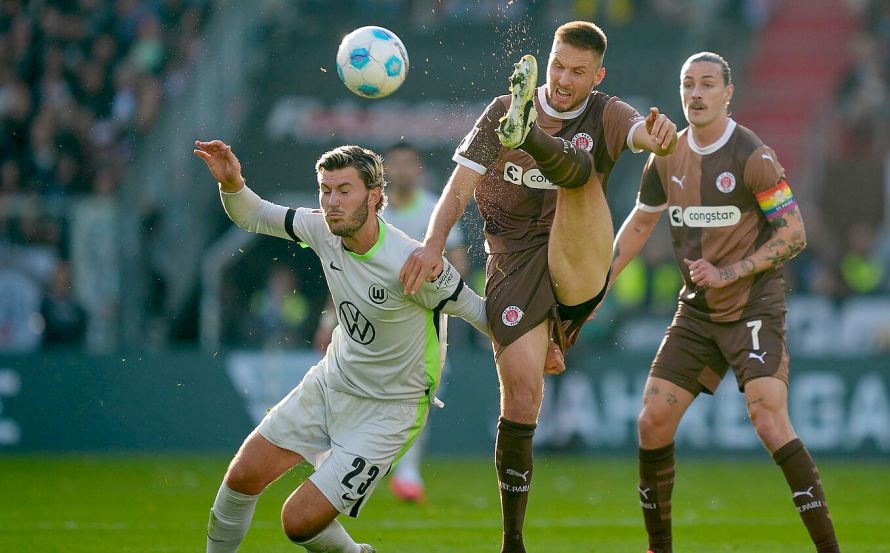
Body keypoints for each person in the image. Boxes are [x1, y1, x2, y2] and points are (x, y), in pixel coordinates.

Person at [400, 21, 678, 553]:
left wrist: (658, 137)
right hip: (513, 262)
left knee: (580, 170)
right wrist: (434, 244)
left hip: (577, 249)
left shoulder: (607, 112)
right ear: (546, 61)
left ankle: (528, 136)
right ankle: (513, 541)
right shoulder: (497, 110)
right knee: (524, 394)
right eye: (557, 66)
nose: (565, 78)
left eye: (578, 72)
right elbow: (458, 189)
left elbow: (642, 132)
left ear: (598, 76)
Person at [194, 140, 490, 553]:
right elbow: (254, 214)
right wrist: (232, 183)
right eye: (325, 190)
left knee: (297, 523)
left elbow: (481, 313)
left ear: (374, 196)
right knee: (242, 476)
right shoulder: (322, 230)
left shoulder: (410, 262)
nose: (331, 202)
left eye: (344, 190)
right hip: (331, 383)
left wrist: (542, 346)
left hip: (390, 411)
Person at [607, 52, 840, 553]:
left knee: (768, 417)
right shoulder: (665, 154)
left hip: (753, 304)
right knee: (651, 422)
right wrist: (597, 285)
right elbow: (642, 223)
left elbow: (794, 233)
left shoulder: (752, 155)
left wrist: (728, 272)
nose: (695, 93)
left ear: (727, 92)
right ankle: (659, 548)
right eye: (688, 84)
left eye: (707, 84)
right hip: (697, 311)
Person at [313, 141, 471, 504]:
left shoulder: (436, 210)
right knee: (353, 389)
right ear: (383, 177)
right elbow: (346, 267)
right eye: (394, 165)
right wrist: (327, 318)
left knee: (421, 394)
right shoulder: (366, 212)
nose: (401, 171)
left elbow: (459, 265)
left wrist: (429, 282)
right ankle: (343, 461)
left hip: (419, 321)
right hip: (368, 318)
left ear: (417, 169)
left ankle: (408, 471)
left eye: (407, 164)